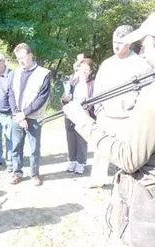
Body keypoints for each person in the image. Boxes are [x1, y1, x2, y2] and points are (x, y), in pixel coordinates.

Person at [63, 13, 155, 247]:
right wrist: (99, 115)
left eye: (145, 44)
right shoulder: (107, 64)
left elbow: (130, 159)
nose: (145, 51)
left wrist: (82, 121)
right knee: (106, 160)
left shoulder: (146, 74)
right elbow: (99, 93)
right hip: (108, 119)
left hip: (147, 199)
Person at [88, 25, 151, 188]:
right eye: (114, 42)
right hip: (106, 116)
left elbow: (145, 94)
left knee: (126, 156)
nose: (116, 46)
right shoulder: (107, 64)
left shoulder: (141, 64)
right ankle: (97, 180)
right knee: (101, 150)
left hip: (128, 118)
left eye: (120, 43)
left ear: (129, 43)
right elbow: (98, 90)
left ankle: (125, 184)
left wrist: (135, 116)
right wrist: (99, 111)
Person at [8, 43, 51, 186]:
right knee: (16, 147)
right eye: (18, 58)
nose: (21, 61)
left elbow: (42, 98)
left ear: (31, 55)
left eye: (23, 57)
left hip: (34, 118)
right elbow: (11, 94)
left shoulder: (44, 73)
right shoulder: (14, 73)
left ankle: (34, 174)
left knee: (34, 148)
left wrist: (24, 114)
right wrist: (17, 114)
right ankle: (16, 173)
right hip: (17, 117)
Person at [62, 58, 95, 174]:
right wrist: (65, 99)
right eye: (82, 69)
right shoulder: (73, 80)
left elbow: (95, 100)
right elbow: (65, 97)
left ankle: (81, 163)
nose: (84, 72)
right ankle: (72, 160)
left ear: (91, 71)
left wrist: (88, 109)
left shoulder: (92, 83)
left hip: (83, 114)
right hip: (70, 113)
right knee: (70, 138)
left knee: (81, 139)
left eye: (87, 70)